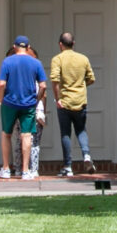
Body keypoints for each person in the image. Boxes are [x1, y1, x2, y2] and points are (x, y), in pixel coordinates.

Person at [0, 34, 49, 180]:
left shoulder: (7, 61)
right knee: (27, 135)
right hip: (28, 104)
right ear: (28, 47)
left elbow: (1, 84)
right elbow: (43, 86)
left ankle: (6, 169)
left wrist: (0, 99)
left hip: (9, 103)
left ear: (14, 47)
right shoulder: (36, 63)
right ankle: (25, 170)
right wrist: (37, 99)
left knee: (6, 134)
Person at [48, 30, 97, 177]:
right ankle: (86, 155)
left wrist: (57, 99)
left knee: (66, 133)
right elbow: (91, 78)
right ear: (73, 44)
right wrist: (80, 86)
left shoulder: (57, 59)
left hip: (65, 102)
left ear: (60, 44)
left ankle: (68, 166)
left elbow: (55, 81)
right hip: (80, 100)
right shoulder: (83, 59)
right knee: (81, 130)